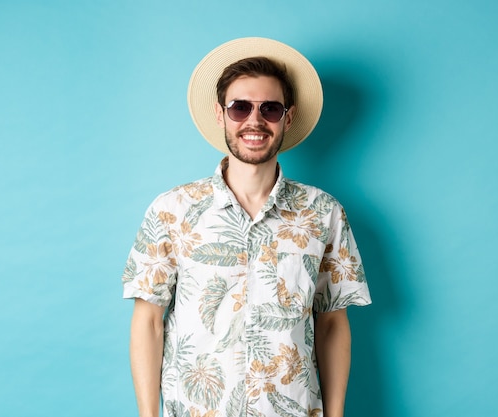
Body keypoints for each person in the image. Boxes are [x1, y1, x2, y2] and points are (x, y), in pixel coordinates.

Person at [122, 37, 371, 417]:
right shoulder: (172, 210)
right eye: (240, 108)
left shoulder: (324, 213)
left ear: (287, 118)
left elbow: (333, 322)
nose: (254, 121)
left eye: (269, 109)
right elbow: (148, 321)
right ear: (221, 115)